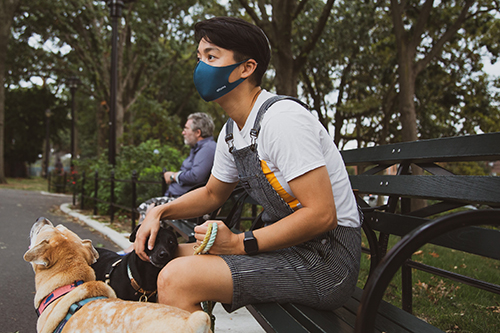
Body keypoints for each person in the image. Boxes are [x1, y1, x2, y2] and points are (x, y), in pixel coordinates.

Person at [135, 16, 361, 314]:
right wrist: (159, 211)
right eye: (199, 57)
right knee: (159, 259)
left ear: (246, 67)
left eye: (211, 56)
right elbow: (213, 194)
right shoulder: (234, 130)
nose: (200, 66)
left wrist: (241, 242)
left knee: (177, 279)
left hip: (326, 261)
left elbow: (322, 215)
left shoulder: (281, 120)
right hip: (284, 248)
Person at [136, 112, 217, 221]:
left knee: (149, 209)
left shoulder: (208, 149)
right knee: (148, 208)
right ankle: (144, 237)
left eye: (186, 129)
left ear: (198, 132)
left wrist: (173, 176)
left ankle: (142, 238)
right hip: (178, 198)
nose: (183, 132)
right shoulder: (198, 149)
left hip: (187, 203)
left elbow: (196, 176)